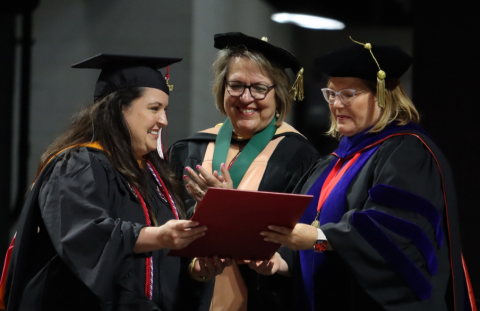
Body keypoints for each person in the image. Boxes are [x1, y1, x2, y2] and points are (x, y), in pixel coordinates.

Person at [255, 38, 477, 310]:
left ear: (382, 95)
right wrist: (282, 260)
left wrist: (318, 239)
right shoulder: (333, 162)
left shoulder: (406, 152)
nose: (336, 105)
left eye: (348, 94)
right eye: (331, 94)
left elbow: (393, 232)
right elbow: (311, 223)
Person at [2, 54, 229, 311]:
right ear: (119, 109)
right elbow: (85, 236)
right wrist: (158, 236)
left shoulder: (156, 176)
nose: (164, 120)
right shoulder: (78, 165)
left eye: (165, 110)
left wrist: (195, 270)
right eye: (154, 109)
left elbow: (159, 269)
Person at [168, 32, 319, 311]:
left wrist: (229, 207)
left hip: (265, 298)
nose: (246, 98)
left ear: (279, 94)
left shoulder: (298, 156)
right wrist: (195, 267)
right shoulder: (189, 150)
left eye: (259, 88)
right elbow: (165, 226)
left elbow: (311, 236)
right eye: (236, 85)